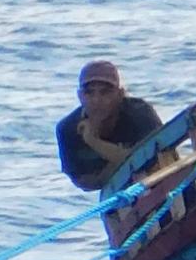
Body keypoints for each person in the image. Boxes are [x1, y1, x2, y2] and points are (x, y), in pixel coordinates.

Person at [56, 60, 165, 192]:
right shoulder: (67, 129)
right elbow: (82, 182)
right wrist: (116, 165)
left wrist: (94, 142)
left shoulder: (140, 114)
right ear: (80, 96)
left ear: (120, 94)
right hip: (123, 198)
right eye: (89, 93)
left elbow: (153, 160)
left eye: (105, 92)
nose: (97, 100)